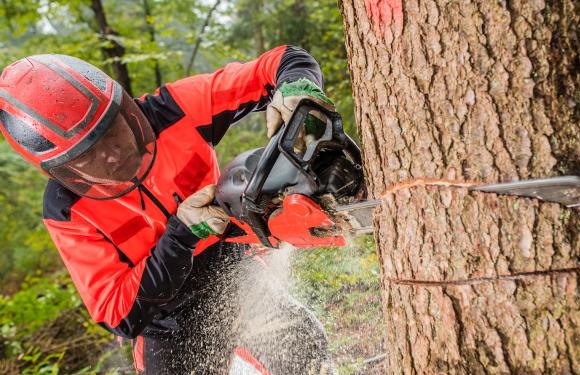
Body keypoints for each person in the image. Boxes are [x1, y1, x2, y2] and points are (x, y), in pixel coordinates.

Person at [0, 46, 337, 374]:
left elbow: (281, 61)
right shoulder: (67, 208)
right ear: (61, 169)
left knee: (305, 351)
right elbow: (118, 313)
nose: (111, 156)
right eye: (87, 156)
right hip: (165, 320)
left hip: (233, 268)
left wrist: (296, 87)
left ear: (122, 108)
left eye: (109, 133)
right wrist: (183, 234)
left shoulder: (173, 109)